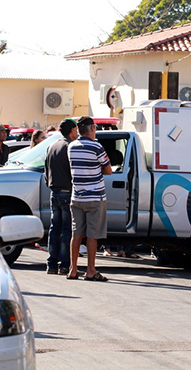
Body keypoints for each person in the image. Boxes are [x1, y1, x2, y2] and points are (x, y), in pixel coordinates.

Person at [67, 116, 112, 281]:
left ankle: (73, 269)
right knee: (92, 235)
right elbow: (108, 170)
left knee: (76, 233)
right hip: (95, 196)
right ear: (92, 129)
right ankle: (91, 270)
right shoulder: (96, 147)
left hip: (77, 196)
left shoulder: (71, 147)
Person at [44, 118, 78, 275]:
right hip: (66, 191)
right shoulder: (69, 147)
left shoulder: (52, 146)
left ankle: (51, 264)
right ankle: (64, 264)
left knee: (54, 228)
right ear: (71, 131)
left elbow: (46, 171)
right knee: (66, 230)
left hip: (54, 192)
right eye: (76, 130)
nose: (77, 133)